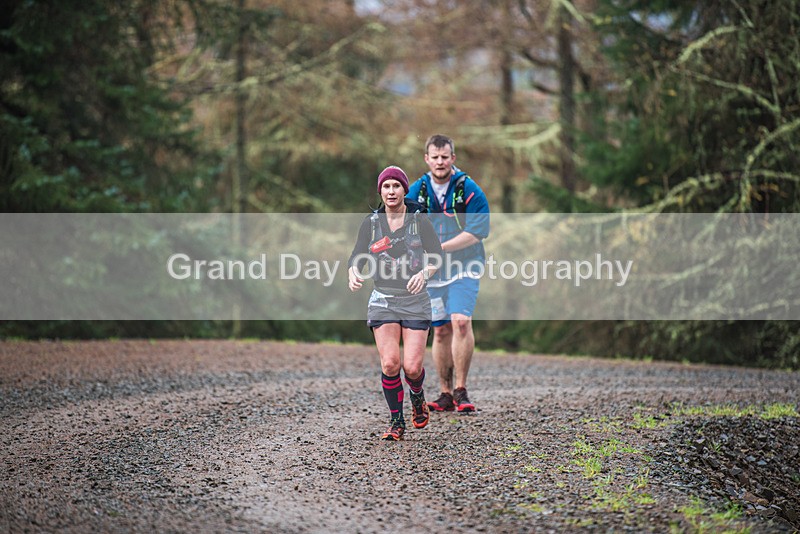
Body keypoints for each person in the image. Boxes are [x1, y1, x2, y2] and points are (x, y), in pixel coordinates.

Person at [348, 165, 443, 441]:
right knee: (390, 364)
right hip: (383, 300)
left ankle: (417, 395)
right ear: (380, 191)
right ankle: (396, 422)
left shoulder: (418, 221)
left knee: (412, 368)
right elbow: (356, 256)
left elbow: (436, 254)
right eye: (386, 187)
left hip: (416, 301)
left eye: (396, 186)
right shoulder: (371, 223)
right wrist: (353, 273)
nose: (391, 191)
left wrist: (425, 274)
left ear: (404, 190)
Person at [406, 134, 490, 413]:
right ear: (426, 159)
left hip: (465, 266)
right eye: (435, 157)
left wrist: (440, 247)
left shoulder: (468, 189)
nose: (440, 162)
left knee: (461, 322)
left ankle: (461, 390)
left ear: (453, 159)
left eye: (445, 157)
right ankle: (444, 393)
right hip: (431, 272)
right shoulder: (416, 191)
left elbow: (478, 231)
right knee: (440, 330)